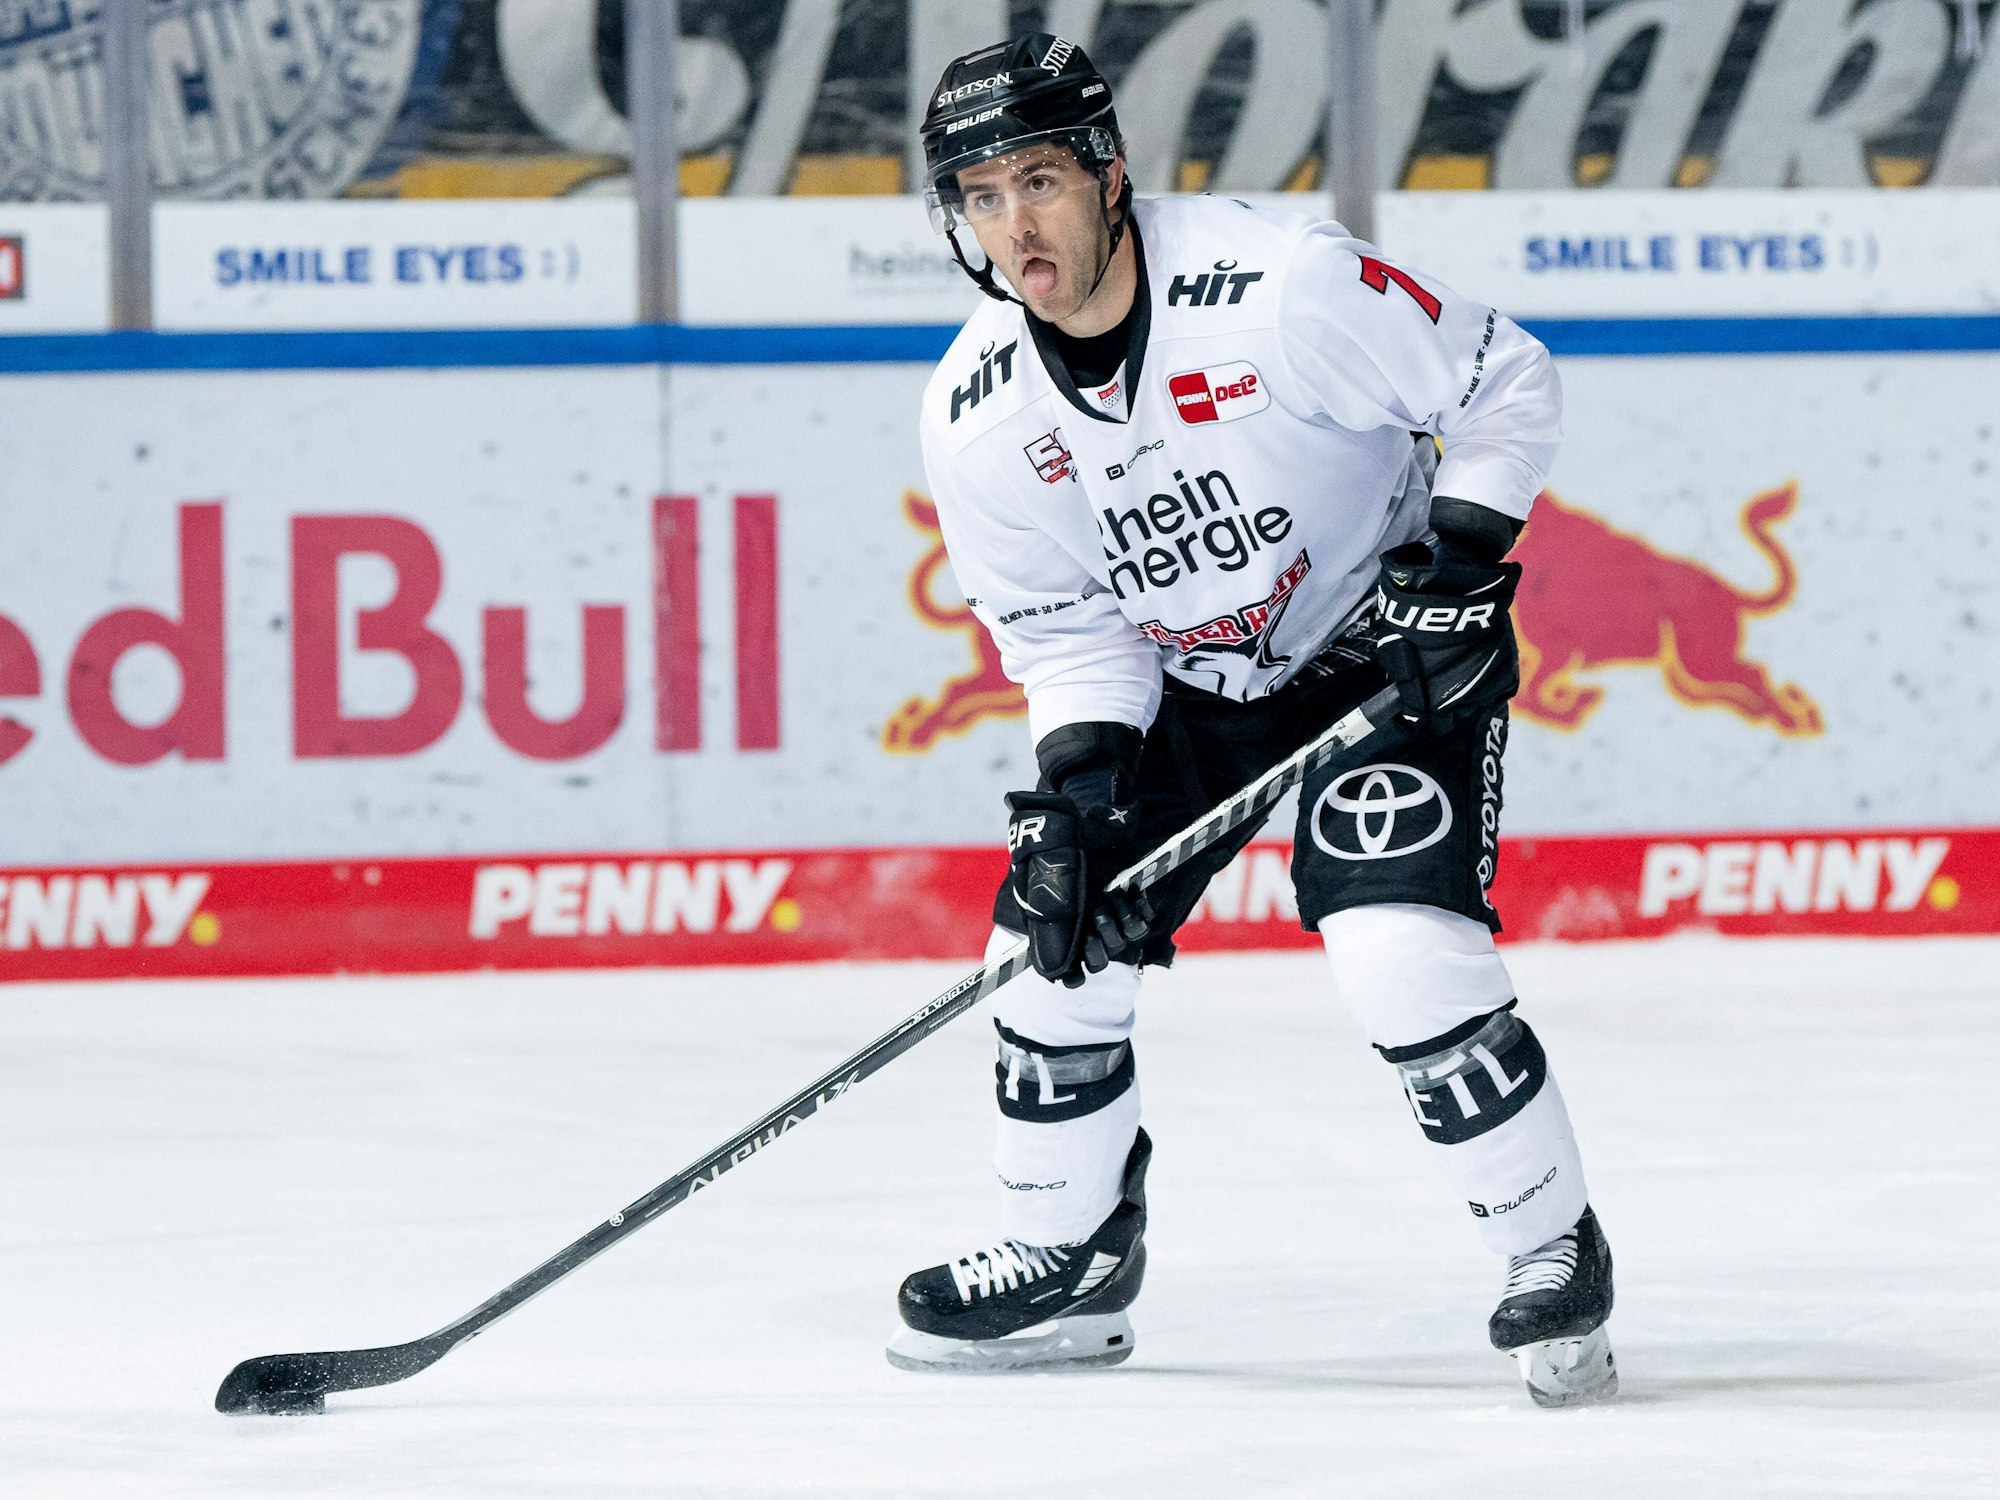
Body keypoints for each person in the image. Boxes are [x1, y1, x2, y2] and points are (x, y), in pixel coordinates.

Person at [887, 34, 1615, 1408]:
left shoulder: (1280, 288)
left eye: (1038, 180)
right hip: (1188, 686)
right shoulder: (973, 415)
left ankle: (1548, 1246)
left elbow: (1504, 380)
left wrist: (1462, 563)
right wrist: (1083, 799)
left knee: (1397, 951)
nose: (1014, 225)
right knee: (1043, 952)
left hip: (1382, 652)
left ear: (1109, 174)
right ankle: (1071, 1254)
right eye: (979, 197)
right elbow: (1067, 635)